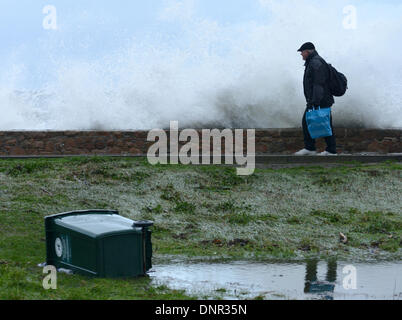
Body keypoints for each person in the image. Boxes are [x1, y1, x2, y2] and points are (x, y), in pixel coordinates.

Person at [295, 42, 337, 156]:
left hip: (320, 99)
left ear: (307, 51)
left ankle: (321, 149)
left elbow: (319, 83)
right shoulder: (312, 62)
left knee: (310, 122)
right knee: (322, 122)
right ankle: (320, 148)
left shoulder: (316, 62)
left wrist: (314, 101)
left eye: (302, 52)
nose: (301, 55)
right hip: (320, 99)